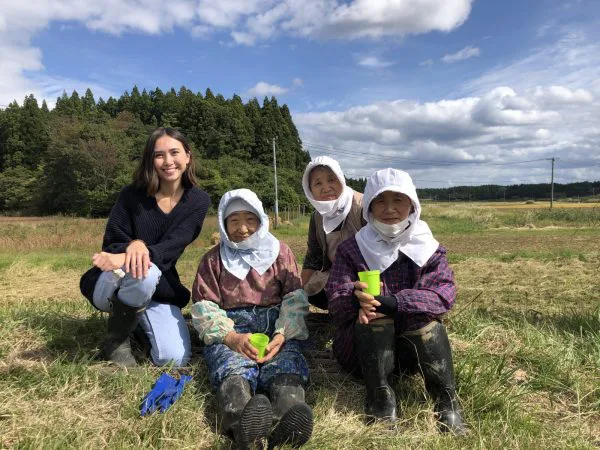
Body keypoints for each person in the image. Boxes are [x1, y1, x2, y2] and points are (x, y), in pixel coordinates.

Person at [326, 168, 466, 434]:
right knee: (372, 318)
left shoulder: (427, 248)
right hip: (362, 352)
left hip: (414, 353)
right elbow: (334, 298)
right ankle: (381, 401)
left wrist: (395, 303)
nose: (389, 209)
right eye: (380, 201)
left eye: (398, 200)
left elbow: (442, 294)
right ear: (368, 207)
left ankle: (446, 403)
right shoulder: (352, 249)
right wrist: (355, 300)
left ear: (412, 204)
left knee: (426, 323)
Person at [191, 188, 312, 449]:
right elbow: (204, 306)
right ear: (223, 224)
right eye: (234, 221)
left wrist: (282, 334)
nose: (242, 228)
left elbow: (295, 299)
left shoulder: (280, 253)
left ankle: (287, 419)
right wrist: (230, 338)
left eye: (250, 219)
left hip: (276, 327)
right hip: (232, 329)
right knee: (231, 369)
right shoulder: (213, 260)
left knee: (287, 365)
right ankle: (242, 425)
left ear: (261, 220)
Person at [79, 127, 210, 367]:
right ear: (150, 160)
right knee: (144, 271)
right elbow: (111, 244)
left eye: (174, 152)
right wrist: (132, 245)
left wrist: (139, 251)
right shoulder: (131, 194)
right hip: (115, 280)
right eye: (159, 155)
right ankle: (116, 341)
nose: (168, 161)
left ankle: (134, 321)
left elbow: (172, 246)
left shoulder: (198, 200)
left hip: (159, 285)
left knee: (174, 359)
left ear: (187, 156)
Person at [301, 156, 365, 310]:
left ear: (341, 179)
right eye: (318, 183)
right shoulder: (317, 217)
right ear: (310, 190)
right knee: (311, 290)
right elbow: (314, 256)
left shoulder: (362, 207)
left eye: (331, 180)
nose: (326, 188)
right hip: (338, 275)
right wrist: (298, 291)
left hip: (368, 274)